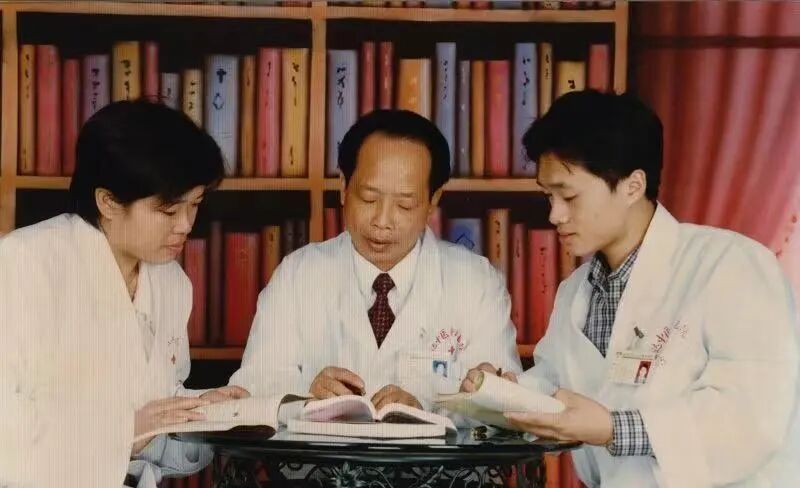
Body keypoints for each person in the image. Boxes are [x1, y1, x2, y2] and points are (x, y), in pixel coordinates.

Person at [461, 90, 800, 487]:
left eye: (568, 196)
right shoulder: (575, 292)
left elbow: (751, 416)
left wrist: (612, 428)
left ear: (633, 186)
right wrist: (504, 393)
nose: (555, 215)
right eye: (548, 196)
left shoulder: (732, 265)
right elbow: (555, 385)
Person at [0, 100, 247, 488]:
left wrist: (203, 413)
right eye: (168, 211)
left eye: (195, 205)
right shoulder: (24, 264)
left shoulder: (172, 283)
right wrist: (122, 434)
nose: (186, 226)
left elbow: (153, 420)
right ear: (109, 202)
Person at [229, 109, 521, 413]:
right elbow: (253, 386)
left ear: (433, 201)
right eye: (368, 199)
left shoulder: (476, 283)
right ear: (343, 187)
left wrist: (424, 409)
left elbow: (504, 401)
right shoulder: (298, 275)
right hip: (320, 446)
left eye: (404, 205)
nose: (382, 221)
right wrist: (306, 395)